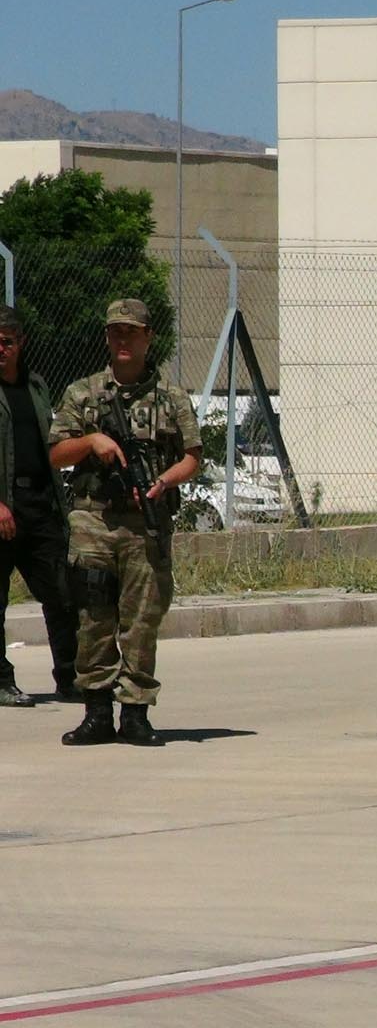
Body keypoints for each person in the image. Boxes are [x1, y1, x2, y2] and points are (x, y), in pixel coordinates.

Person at [45, 299, 202, 746]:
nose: (122, 340)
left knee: (141, 619)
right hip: (94, 520)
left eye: (131, 332)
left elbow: (193, 457)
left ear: (148, 337)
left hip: (144, 522)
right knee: (93, 616)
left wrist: (162, 481)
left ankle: (134, 713)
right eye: (115, 331)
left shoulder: (171, 398)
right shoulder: (83, 393)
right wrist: (93, 440)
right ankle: (96, 711)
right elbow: (56, 454)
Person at [0, 306, 77, 707]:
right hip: (2, 506)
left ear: (21, 343)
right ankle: (1, 681)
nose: (1, 349)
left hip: (40, 505)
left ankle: (70, 676)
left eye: (7, 341)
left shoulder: (37, 386)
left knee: (63, 592)